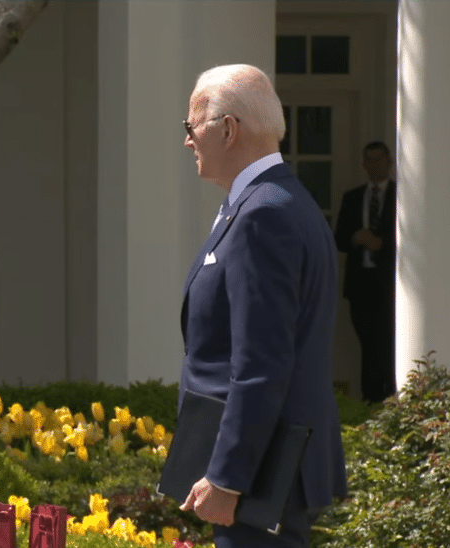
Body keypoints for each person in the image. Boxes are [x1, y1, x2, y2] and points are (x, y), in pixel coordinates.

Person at [177, 64, 348, 548]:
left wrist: (227, 478)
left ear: (227, 129)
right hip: (268, 471)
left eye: (191, 127)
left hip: (260, 478)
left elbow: (260, 362)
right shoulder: (275, 201)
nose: (188, 141)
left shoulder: (262, 214)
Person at [334, 141, 397, 403]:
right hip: (361, 286)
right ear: (363, 164)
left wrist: (381, 244)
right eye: (369, 160)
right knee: (368, 348)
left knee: (389, 346)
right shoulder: (353, 197)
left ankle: (392, 399)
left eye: (379, 160)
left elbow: (416, 240)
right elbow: (338, 239)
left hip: (390, 286)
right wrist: (356, 238)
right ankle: (370, 403)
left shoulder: (401, 195)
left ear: (389, 162)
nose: (374, 165)